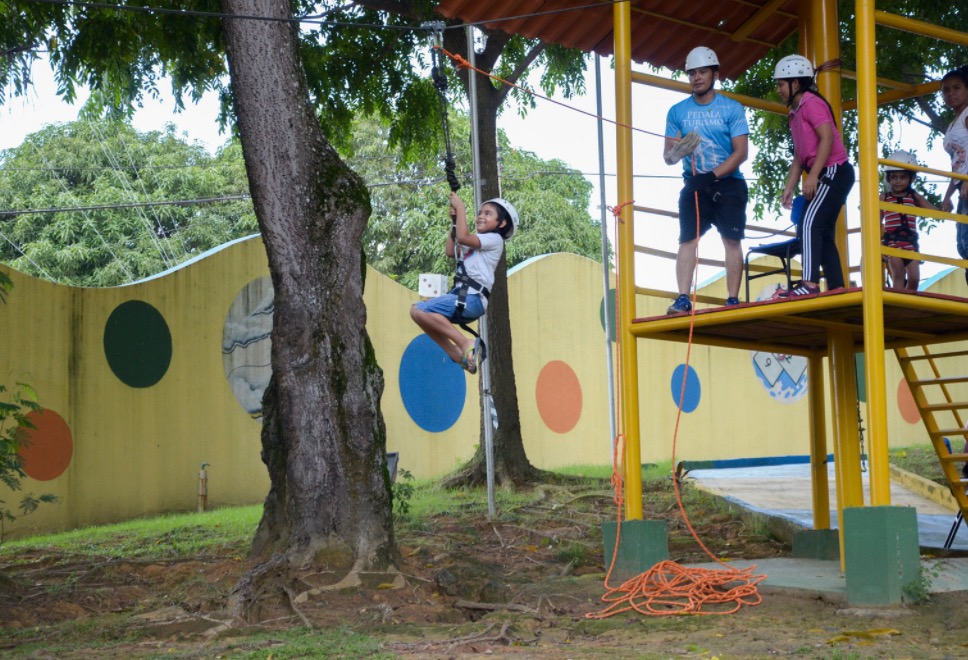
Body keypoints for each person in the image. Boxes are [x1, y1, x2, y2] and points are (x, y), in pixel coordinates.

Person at [664, 46, 749, 315]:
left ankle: (733, 298)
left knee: (731, 240)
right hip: (693, 184)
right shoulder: (677, 112)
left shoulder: (731, 108)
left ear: (715, 74)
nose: (696, 78)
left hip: (729, 184)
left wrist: (711, 176)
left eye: (702, 72)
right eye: (692, 73)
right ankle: (682, 298)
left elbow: (741, 153)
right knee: (687, 239)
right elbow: (667, 157)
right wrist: (677, 152)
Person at [772, 55, 854, 299]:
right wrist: (790, 186)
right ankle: (837, 285)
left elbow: (827, 138)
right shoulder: (794, 113)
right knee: (821, 229)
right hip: (825, 171)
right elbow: (800, 155)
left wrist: (814, 176)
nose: (778, 90)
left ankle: (809, 283)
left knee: (807, 223)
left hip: (834, 170)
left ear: (795, 83)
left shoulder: (811, 102)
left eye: (780, 84)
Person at [410, 192, 518, 374]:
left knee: (421, 309)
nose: (481, 217)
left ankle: (464, 343)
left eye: (488, 214)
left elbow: (463, 237)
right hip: (462, 296)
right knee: (417, 312)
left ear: (502, 223)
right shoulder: (476, 241)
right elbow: (451, 250)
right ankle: (455, 353)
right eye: (480, 213)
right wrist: (454, 221)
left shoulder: (494, 239)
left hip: (473, 298)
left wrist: (461, 209)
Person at [880, 150, 935, 291]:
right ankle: (898, 303)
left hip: (910, 244)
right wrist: (878, 243)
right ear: (888, 178)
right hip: (893, 244)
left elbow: (932, 210)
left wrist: (943, 209)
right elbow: (875, 220)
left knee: (914, 279)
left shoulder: (914, 197)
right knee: (898, 274)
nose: (897, 181)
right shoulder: (884, 197)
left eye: (902, 177)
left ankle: (908, 302)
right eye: (894, 177)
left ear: (911, 178)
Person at [939, 66, 968, 282]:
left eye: (957, 88)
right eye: (946, 90)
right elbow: (956, 163)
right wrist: (948, 194)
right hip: (961, 187)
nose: (951, 94)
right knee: (963, 244)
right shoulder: (952, 124)